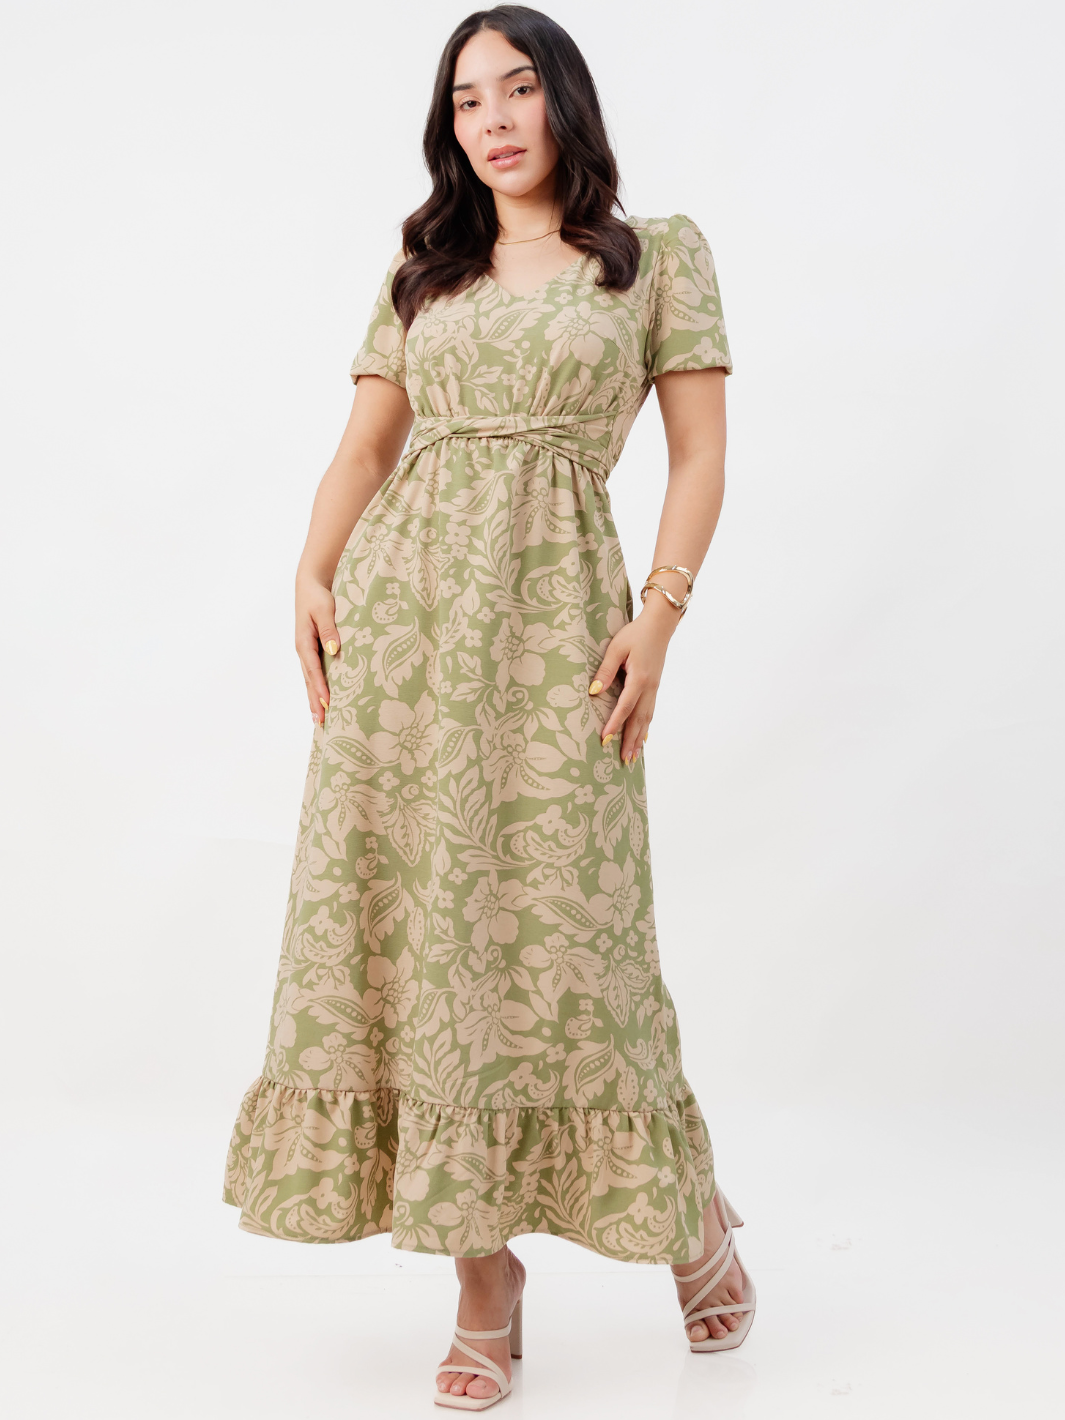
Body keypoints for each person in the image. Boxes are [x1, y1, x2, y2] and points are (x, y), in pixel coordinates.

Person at [222, 4, 755, 1408]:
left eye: (518, 89)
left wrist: (660, 616)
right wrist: (312, 572)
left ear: (565, 102)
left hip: (561, 630)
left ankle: (688, 1212)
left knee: (578, 935)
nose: (496, 118)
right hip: (403, 633)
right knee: (420, 937)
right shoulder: (426, 269)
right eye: (468, 101)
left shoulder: (654, 257)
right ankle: (481, 1278)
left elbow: (699, 454)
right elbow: (366, 446)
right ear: (448, 129)